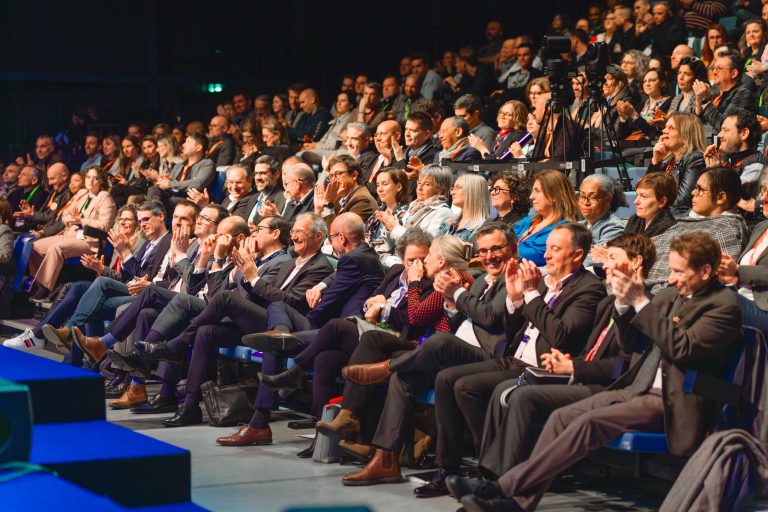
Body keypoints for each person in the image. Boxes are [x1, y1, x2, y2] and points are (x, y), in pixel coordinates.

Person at [453, 231, 742, 512]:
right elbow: (632, 346)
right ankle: (519, 502)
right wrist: (622, 303)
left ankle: (505, 487)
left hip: (672, 399)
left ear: (705, 271)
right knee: (561, 417)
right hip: (635, 388)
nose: (671, 278)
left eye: (680, 272)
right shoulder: (671, 296)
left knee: (589, 422)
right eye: (673, 270)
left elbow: (681, 348)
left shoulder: (724, 306)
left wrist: (640, 302)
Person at [478, 233, 656, 479]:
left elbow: (627, 367)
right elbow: (588, 352)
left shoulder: (648, 308)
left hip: (606, 386)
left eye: (612, 258)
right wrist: (567, 363)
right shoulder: (608, 304)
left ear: (636, 262)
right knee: (507, 388)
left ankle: (505, 481)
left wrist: (575, 368)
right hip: (581, 375)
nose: (604, 265)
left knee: (523, 396)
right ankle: (491, 475)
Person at [244, 229, 436, 449]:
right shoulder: (394, 271)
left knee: (335, 326)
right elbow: (370, 301)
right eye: (412, 260)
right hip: (368, 327)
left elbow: (414, 321)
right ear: (403, 259)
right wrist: (373, 304)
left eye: (422, 259)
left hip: (392, 339)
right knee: (325, 358)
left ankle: (293, 372)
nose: (417, 265)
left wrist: (386, 308)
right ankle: (322, 437)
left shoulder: (428, 284)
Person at [5, 205, 146, 351]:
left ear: (137, 223)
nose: (122, 222)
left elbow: (133, 278)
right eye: (120, 219)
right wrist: (100, 269)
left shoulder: (140, 244)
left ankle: (54, 333)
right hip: (116, 287)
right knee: (73, 286)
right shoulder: (119, 243)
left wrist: (103, 269)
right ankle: (42, 333)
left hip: (131, 292)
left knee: (83, 292)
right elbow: (119, 276)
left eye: (127, 219)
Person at [28, 166, 117, 299]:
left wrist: (81, 220)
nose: (91, 181)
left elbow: (105, 225)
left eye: (95, 178)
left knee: (56, 248)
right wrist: (70, 219)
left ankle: (44, 288)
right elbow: (65, 215)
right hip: (68, 235)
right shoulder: (81, 193)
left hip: (89, 241)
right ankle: (37, 281)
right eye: (88, 177)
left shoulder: (105, 197)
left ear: (101, 181)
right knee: (34, 247)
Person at [718, 171, 768, 333]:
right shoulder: (761, 227)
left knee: (712, 300)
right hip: (739, 294)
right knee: (674, 293)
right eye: (763, 191)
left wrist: (738, 270)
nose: (763, 198)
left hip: (762, 307)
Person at [513, 169, 582, 266]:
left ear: (554, 195)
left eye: (537, 191)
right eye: (532, 191)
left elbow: (531, 255)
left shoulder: (564, 230)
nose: (531, 197)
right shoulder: (527, 221)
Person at [647, 112, 707, 216]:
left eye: (671, 128)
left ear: (686, 135)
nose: (664, 131)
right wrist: (656, 162)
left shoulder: (695, 159)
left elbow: (683, 203)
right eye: (665, 127)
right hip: (660, 215)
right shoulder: (666, 160)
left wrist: (654, 210)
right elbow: (645, 191)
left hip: (678, 220)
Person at [146, 133, 215, 216]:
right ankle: (154, 217)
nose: (183, 145)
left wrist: (170, 184)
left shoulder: (207, 163)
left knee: (155, 203)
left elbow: (198, 183)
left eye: (188, 142)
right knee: (153, 190)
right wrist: (161, 180)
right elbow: (170, 183)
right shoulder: (180, 165)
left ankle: (153, 218)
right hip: (172, 196)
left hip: (190, 200)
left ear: (198, 147)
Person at [386, 164, 454, 242]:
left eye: (427, 184)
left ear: (441, 190)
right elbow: (394, 241)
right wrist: (388, 226)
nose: (419, 188)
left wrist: (395, 229)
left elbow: (426, 245)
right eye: (419, 183)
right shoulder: (413, 206)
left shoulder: (443, 212)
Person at [695, 49, 757, 131]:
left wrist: (704, 101)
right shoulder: (713, 93)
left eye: (719, 68)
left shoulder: (744, 95)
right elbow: (696, 126)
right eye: (714, 68)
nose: (714, 72)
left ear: (734, 73)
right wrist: (698, 101)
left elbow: (726, 128)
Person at [315, 155, 378, 227]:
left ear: (354, 175)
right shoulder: (338, 197)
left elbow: (338, 235)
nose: (334, 180)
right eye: (331, 176)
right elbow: (320, 231)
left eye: (338, 174)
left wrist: (328, 205)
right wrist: (318, 209)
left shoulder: (363, 201)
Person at [577, 174, 625, 267]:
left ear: (608, 199)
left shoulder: (614, 228)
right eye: (582, 196)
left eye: (593, 197)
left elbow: (593, 261)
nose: (586, 202)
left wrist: (564, 262)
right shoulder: (578, 226)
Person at [364, 168, 410, 266]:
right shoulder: (376, 213)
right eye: (377, 185)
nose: (379, 189)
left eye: (385, 184)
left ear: (398, 186)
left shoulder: (407, 214)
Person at [616, 68, 671, 140]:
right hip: (635, 147)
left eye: (652, 80)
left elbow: (655, 134)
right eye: (644, 81)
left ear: (662, 83)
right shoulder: (640, 105)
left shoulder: (668, 104)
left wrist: (634, 115)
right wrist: (623, 118)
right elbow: (623, 137)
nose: (647, 84)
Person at [438, 173, 491, 245]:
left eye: (458, 188)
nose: (452, 192)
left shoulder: (482, 228)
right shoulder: (449, 222)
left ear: (473, 191)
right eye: (453, 188)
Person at [624, 172, 678, 236]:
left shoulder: (669, 229)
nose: (635, 201)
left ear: (662, 202)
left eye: (643, 196)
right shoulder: (634, 219)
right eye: (637, 195)